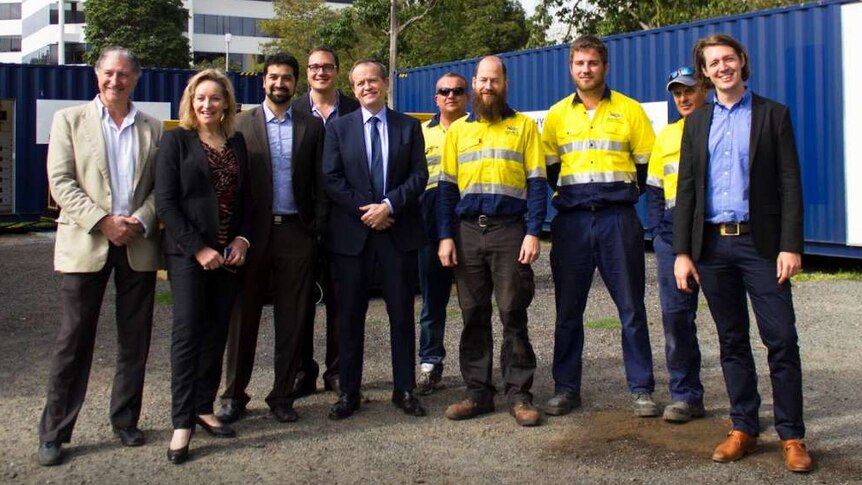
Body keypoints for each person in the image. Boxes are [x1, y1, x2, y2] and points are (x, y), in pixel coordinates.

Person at [673, 33, 812, 473]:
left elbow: (790, 183)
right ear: (705, 71)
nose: (722, 68)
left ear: (741, 62)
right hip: (712, 247)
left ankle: (792, 436)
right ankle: (744, 428)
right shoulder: (697, 122)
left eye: (727, 59)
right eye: (713, 63)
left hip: (762, 247)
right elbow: (687, 189)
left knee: (781, 339)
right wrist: (682, 252)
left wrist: (791, 245)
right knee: (732, 342)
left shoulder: (772, 115)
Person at [38, 47, 163, 467]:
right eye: (109, 73)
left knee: (135, 341)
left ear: (136, 78)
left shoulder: (152, 128)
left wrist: (139, 222)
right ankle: (55, 432)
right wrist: (104, 221)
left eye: (124, 74)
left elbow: (160, 189)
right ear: (98, 76)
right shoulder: (69, 121)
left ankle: (125, 419)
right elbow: (60, 182)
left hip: (137, 245)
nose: (116, 81)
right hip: (86, 243)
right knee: (73, 341)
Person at [541, 35, 657, 417]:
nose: (586, 70)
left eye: (592, 63)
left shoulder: (630, 111)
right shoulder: (557, 116)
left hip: (617, 220)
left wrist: (617, 196)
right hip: (572, 223)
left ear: (605, 67)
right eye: (579, 64)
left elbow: (645, 166)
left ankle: (641, 389)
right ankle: (566, 388)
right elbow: (551, 169)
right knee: (568, 311)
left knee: (631, 309)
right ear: (570, 68)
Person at [217, 53, 326, 424]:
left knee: (292, 317)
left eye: (287, 78)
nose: (280, 83)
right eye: (273, 77)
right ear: (263, 81)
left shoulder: (311, 127)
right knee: (242, 318)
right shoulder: (239, 125)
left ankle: (282, 395)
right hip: (251, 234)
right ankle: (233, 394)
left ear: (296, 83)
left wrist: (315, 231)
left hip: (297, 233)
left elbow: (319, 184)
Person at [438, 56, 546, 427]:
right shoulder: (457, 132)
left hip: (509, 230)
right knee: (472, 314)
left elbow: (536, 184)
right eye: (482, 80)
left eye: (494, 80)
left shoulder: (525, 127)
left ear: (504, 83)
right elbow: (446, 191)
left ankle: (519, 394)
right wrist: (445, 237)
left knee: (513, 311)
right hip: (467, 232)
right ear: (474, 83)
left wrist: (534, 231)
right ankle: (478, 392)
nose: (488, 87)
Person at [322, 59, 428, 420]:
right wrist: (366, 212)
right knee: (350, 317)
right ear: (353, 89)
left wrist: (388, 205)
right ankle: (349, 392)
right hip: (353, 238)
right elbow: (332, 179)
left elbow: (419, 176)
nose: (367, 87)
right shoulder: (338, 129)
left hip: (397, 234)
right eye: (360, 83)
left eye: (373, 80)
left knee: (401, 315)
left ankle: (405, 389)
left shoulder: (408, 127)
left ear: (385, 84)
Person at [156, 68, 252, 464]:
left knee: (216, 333)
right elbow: (167, 204)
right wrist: (199, 249)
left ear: (226, 102)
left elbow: (246, 198)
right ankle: (182, 422)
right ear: (190, 103)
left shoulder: (238, 142)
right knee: (188, 334)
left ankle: (202, 406)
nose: (208, 105)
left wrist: (243, 240)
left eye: (215, 98)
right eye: (200, 98)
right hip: (189, 257)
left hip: (229, 256)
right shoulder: (176, 142)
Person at [290, 46, 361, 395]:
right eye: (314, 67)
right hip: (300, 221)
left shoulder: (354, 109)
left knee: (340, 300)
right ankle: (303, 371)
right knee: (301, 301)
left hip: (344, 219)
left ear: (337, 70)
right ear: (307, 72)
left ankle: (337, 370)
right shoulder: (293, 110)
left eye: (328, 67)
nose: (321, 72)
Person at [646, 67, 708, 423]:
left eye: (689, 90)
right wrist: (658, 233)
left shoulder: (719, 128)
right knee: (676, 321)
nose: (683, 98)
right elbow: (654, 189)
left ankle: (743, 405)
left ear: (704, 89)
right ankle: (685, 396)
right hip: (672, 239)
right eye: (676, 93)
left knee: (731, 323)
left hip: (713, 239)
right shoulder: (666, 136)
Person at [416, 72, 468, 394]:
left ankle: (475, 369)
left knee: (473, 304)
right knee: (432, 303)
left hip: (468, 225)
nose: (451, 95)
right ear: (435, 98)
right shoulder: (420, 133)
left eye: (458, 90)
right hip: (430, 229)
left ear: (467, 96)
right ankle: (429, 363)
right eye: (444, 91)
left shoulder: (477, 130)